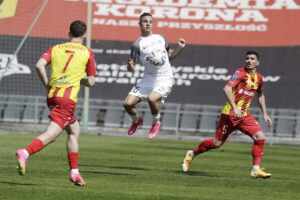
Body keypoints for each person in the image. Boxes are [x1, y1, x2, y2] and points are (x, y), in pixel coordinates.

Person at [15, 20, 96, 186]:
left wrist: (47, 84)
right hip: (67, 100)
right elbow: (92, 82)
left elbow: (39, 65)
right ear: (85, 35)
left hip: (52, 96)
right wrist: (80, 81)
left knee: (74, 130)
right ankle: (25, 152)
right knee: (51, 134)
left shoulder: (56, 48)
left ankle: (74, 172)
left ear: (69, 33)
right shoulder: (87, 53)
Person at [182, 50, 273, 179]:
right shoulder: (240, 73)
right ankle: (192, 154)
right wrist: (234, 107)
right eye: (247, 58)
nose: (249, 61)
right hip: (230, 114)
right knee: (216, 143)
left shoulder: (259, 78)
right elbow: (227, 88)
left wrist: (265, 114)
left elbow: (260, 95)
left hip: (245, 115)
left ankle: (255, 170)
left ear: (258, 62)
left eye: (252, 59)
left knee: (260, 137)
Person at [123, 12, 186, 139]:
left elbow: (170, 56)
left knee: (152, 99)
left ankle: (156, 123)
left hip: (165, 78)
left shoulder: (161, 38)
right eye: (145, 21)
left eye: (150, 21)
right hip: (148, 79)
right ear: (140, 24)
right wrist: (130, 66)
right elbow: (131, 68)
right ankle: (136, 121)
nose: (148, 23)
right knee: (127, 103)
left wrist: (180, 48)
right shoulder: (136, 45)